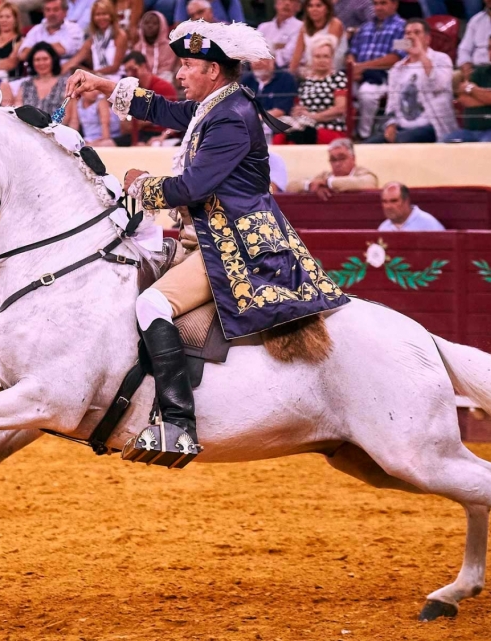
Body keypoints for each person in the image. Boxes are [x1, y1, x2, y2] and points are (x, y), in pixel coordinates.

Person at [64, 20, 349, 464]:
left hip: (234, 246)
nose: (179, 74)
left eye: (188, 65)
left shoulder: (231, 118)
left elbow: (191, 188)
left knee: (151, 305)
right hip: (209, 237)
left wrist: (141, 184)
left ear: (213, 71)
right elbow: (162, 110)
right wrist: (103, 84)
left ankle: (177, 422)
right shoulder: (218, 106)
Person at [368, 18, 456, 144]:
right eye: (408, 33)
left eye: (416, 32)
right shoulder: (397, 68)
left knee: (402, 140)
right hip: (402, 128)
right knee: (369, 146)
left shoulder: (441, 59)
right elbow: (391, 105)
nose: (411, 37)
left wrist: (421, 54)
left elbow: (437, 85)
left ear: (427, 39)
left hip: (433, 126)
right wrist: (391, 125)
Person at [347, 0, 406, 139]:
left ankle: (364, 135)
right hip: (357, 74)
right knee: (340, 90)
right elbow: (351, 52)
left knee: (366, 94)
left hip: (386, 75)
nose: (378, 7)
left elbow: (397, 57)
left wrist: (363, 67)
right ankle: (346, 131)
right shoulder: (364, 27)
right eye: (376, 4)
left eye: (383, 3)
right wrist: (352, 67)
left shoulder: (404, 28)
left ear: (395, 4)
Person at [287, 36, 347, 144]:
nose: (321, 60)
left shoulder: (338, 77)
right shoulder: (306, 81)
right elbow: (299, 106)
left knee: (300, 136)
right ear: (312, 58)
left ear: (332, 58)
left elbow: (340, 109)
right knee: (281, 134)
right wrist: (298, 112)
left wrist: (313, 117)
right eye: (317, 57)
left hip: (330, 128)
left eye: (326, 56)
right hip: (304, 126)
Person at [118, 50, 176, 145]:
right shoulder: (131, 89)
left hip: (159, 133)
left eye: (132, 69)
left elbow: (169, 116)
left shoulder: (163, 87)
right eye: (127, 71)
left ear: (143, 66)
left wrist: (139, 121)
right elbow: (124, 126)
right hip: (139, 134)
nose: (129, 74)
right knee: (108, 143)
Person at [62, 0, 128, 81]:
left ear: (111, 16)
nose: (101, 18)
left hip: (116, 78)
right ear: (93, 18)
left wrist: (91, 73)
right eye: (97, 14)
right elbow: (74, 60)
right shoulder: (92, 39)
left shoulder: (120, 35)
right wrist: (55, 74)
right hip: (96, 79)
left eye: (104, 14)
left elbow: (115, 67)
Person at [298, 138, 379, 196]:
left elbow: (369, 183)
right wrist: (310, 185)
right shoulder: (324, 176)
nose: (337, 164)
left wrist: (328, 183)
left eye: (342, 158)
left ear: (353, 158)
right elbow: (291, 186)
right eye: (333, 160)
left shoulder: (363, 173)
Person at [16, 42, 72, 124]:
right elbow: (18, 110)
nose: (41, 63)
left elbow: (68, 116)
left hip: (57, 131)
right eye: (37, 60)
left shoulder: (65, 83)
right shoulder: (25, 85)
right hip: (28, 131)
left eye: (45, 59)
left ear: (53, 60)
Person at [18, 0, 85, 64]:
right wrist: (54, 46)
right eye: (48, 10)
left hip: (67, 73)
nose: (51, 14)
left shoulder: (74, 29)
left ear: (65, 12)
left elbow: (64, 50)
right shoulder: (36, 30)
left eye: (55, 10)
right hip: (38, 74)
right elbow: (23, 54)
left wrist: (34, 49)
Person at [290, 0, 345, 77]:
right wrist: (290, 74)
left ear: (327, 9)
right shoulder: (304, 27)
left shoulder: (335, 24)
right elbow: (296, 56)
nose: (314, 9)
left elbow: (328, 54)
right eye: (310, 6)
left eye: (318, 6)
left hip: (331, 71)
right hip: (310, 71)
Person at [131, 10, 176, 84]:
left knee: (168, 76)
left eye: (154, 23)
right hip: (142, 82)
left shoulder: (170, 46)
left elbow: (166, 70)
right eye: (146, 23)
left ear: (162, 26)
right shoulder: (137, 47)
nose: (150, 26)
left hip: (162, 81)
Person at [378, 182, 445, 231]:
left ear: (406, 201)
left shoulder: (429, 224)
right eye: (384, 202)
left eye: (394, 201)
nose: (388, 206)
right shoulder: (383, 228)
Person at [258, 0, 302, 70]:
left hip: (285, 70)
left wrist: (269, 49)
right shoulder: (263, 27)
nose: (287, 3)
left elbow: (289, 55)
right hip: (258, 68)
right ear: (276, 3)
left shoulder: (301, 28)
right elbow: (255, 52)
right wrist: (278, 46)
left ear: (299, 6)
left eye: (292, 1)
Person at [174, 0, 243, 23]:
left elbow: (240, 27)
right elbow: (179, 28)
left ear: (211, 11)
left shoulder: (228, 1)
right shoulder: (184, 1)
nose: (197, 17)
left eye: (200, 12)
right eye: (192, 15)